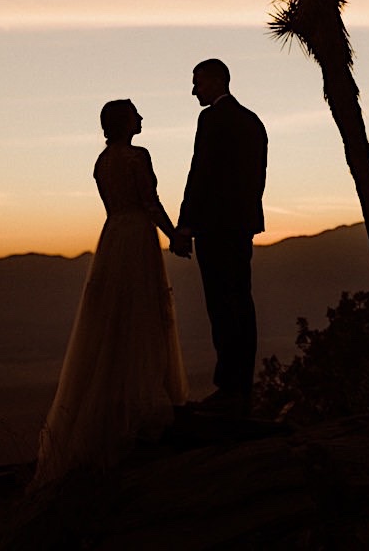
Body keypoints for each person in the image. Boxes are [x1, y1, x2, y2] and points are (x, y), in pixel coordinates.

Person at [33, 99, 187, 486]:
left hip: (113, 237)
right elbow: (149, 203)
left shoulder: (102, 162)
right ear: (124, 122)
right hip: (136, 238)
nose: (142, 118)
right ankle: (141, 407)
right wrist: (175, 236)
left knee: (111, 322)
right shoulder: (138, 156)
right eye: (136, 113)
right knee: (143, 316)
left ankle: (112, 410)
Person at [170, 58, 267, 416]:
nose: (194, 90)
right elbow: (257, 179)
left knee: (222, 306)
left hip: (215, 228)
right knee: (241, 302)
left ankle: (228, 388)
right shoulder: (253, 122)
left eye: (197, 82)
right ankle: (241, 386)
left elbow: (202, 173)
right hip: (241, 226)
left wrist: (186, 225)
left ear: (215, 81)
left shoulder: (211, 119)